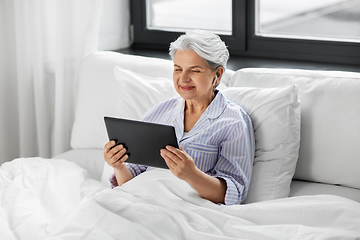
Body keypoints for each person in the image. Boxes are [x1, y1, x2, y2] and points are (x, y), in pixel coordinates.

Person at [104, 30, 255, 205]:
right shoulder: (160, 113)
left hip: (185, 210)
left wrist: (192, 175)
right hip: (141, 201)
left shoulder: (233, 122)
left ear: (218, 75)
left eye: (195, 70)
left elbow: (233, 194)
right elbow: (131, 183)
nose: (183, 79)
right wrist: (119, 166)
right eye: (178, 69)